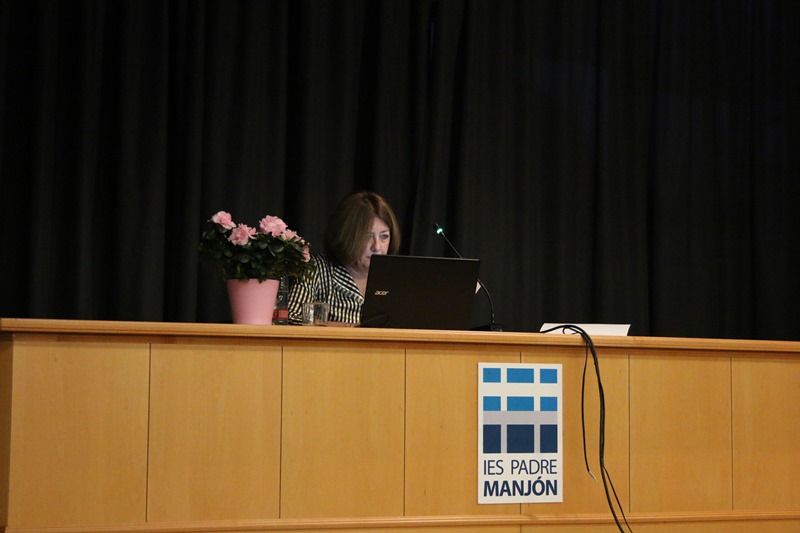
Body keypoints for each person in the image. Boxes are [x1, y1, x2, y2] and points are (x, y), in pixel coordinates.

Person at [288, 191, 401, 325]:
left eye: (384, 236)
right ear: (346, 236)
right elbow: (291, 317)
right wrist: (346, 329)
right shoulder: (316, 268)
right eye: (367, 236)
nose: (377, 246)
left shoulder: (396, 276)